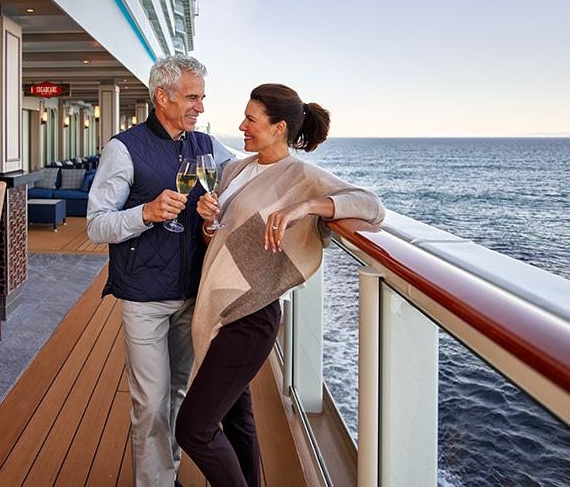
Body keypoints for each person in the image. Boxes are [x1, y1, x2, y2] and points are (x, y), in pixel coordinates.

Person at [175, 84, 385, 487]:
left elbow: (372, 206)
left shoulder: (302, 176)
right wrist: (208, 221)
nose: (242, 127)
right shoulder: (235, 169)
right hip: (217, 305)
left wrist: (306, 206)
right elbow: (217, 239)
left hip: (252, 315)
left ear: (279, 127)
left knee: (194, 428)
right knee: (236, 417)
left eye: (251, 120)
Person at [87, 54, 234, 486]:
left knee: (179, 394)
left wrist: (217, 209)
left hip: (192, 293)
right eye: (192, 98)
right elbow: (97, 226)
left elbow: (246, 176)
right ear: (162, 96)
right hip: (144, 297)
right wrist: (145, 213)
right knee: (150, 403)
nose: (200, 107)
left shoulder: (206, 146)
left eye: (202, 98)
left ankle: (166, 475)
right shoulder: (123, 148)